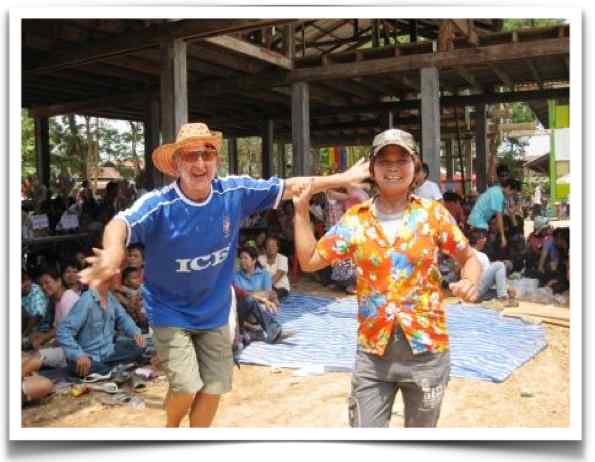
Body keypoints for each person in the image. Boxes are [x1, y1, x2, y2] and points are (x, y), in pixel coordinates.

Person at [79, 122, 369, 428]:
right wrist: (112, 253)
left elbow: (292, 186)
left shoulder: (234, 192)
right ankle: (170, 432)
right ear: (176, 164)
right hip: (169, 310)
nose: (200, 163)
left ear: (216, 160)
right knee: (186, 386)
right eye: (190, 156)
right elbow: (120, 224)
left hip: (215, 310)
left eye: (207, 154)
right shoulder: (160, 205)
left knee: (215, 387)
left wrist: (342, 178)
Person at [292, 127, 480, 428]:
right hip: (373, 355)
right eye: (384, 161)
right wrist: (301, 215)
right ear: (372, 168)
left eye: (401, 160)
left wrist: (470, 280)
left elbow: (468, 257)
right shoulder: (356, 219)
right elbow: (311, 261)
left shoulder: (434, 215)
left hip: (426, 352)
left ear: (414, 166)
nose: (393, 168)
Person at [56, 278, 145, 378]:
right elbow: (63, 331)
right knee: (89, 367)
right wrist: (78, 355)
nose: (118, 278)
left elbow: (124, 318)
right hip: (89, 358)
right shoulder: (86, 300)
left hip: (109, 353)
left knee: (140, 345)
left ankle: (109, 371)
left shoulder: (110, 298)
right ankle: (110, 371)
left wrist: (136, 332)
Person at [233, 246, 290, 344]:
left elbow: (268, 294)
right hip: (242, 311)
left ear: (254, 260)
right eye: (241, 258)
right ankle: (272, 330)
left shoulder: (264, 274)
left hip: (259, 307)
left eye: (245, 258)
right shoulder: (236, 276)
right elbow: (240, 295)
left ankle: (257, 331)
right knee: (249, 300)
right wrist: (259, 295)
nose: (242, 261)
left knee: (257, 302)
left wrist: (253, 295)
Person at [469, 230, 518, 307]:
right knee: (499, 265)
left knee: (502, 291)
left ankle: (503, 295)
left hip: (468, 292)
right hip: (475, 291)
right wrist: (507, 287)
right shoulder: (481, 255)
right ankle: (503, 298)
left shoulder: (465, 253)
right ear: (479, 241)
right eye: (483, 238)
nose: (485, 240)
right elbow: (491, 279)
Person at [467, 178, 519, 249]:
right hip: (478, 223)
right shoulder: (498, 194)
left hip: (476, 222)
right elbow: (499, 216)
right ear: (508, 187)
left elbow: (506, 210)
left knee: (477, 248)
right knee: (479, 248)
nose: (511, 195)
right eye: (512, 193)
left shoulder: (497, 190)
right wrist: (502, 236)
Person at [258, 236, 290, 301]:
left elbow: (278, 276)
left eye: (273, 245)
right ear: (265, 248)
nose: (271, 248)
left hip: (280, 288)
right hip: (265, 287)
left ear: (277, 247)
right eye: (268, 246)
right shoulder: (260, 259)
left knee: (273, 295)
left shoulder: (283, 259)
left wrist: (265, 288)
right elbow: (258, 275)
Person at [21, 270, 50, 341]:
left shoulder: (37, 293)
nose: (26, 283)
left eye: (27, 279)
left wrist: (24, 335)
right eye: (21, 282)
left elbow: (37, 316)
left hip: (40, 330)